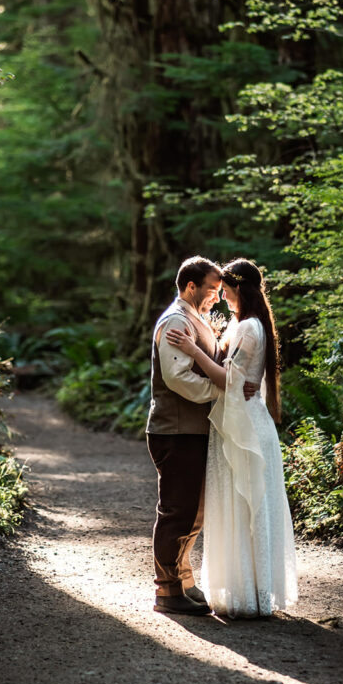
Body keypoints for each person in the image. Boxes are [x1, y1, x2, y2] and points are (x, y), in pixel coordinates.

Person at [165, 258, 297, 618]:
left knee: (245, 507)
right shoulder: (245, 324)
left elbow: (227, 381)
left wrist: (193, 350)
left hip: (244, 430)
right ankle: (247, 590)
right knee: (239, 507)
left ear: (237, 288)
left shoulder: (250, 328)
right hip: (238, 422)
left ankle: (250, 594)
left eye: (222, 288)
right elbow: (240, 376)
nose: (219, 295)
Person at [146, 255, 224, 616]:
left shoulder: (196, 319)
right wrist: (220, 391)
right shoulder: (176, 321)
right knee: (178, 511)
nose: (216, 298)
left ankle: (184, 581)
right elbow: (178, 378)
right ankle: (167, 591)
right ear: (190, 286)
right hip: (175, 431)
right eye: (212, 289)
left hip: (191, 431)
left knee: (194, 512)